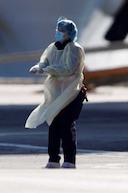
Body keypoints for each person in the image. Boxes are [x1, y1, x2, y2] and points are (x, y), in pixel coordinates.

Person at [25, 17, 87, 169]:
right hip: (56, 93)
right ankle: (53, 159)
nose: (59, 33)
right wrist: (38, 66)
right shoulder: (53, 47)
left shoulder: (75, 48)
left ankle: (69, 160)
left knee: (67, 126)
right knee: (53, 125)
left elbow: (68, 68)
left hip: (72, 92)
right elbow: (45, 61)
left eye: (62, 31)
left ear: (70, 33)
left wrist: (46, 70)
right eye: (58, 30)